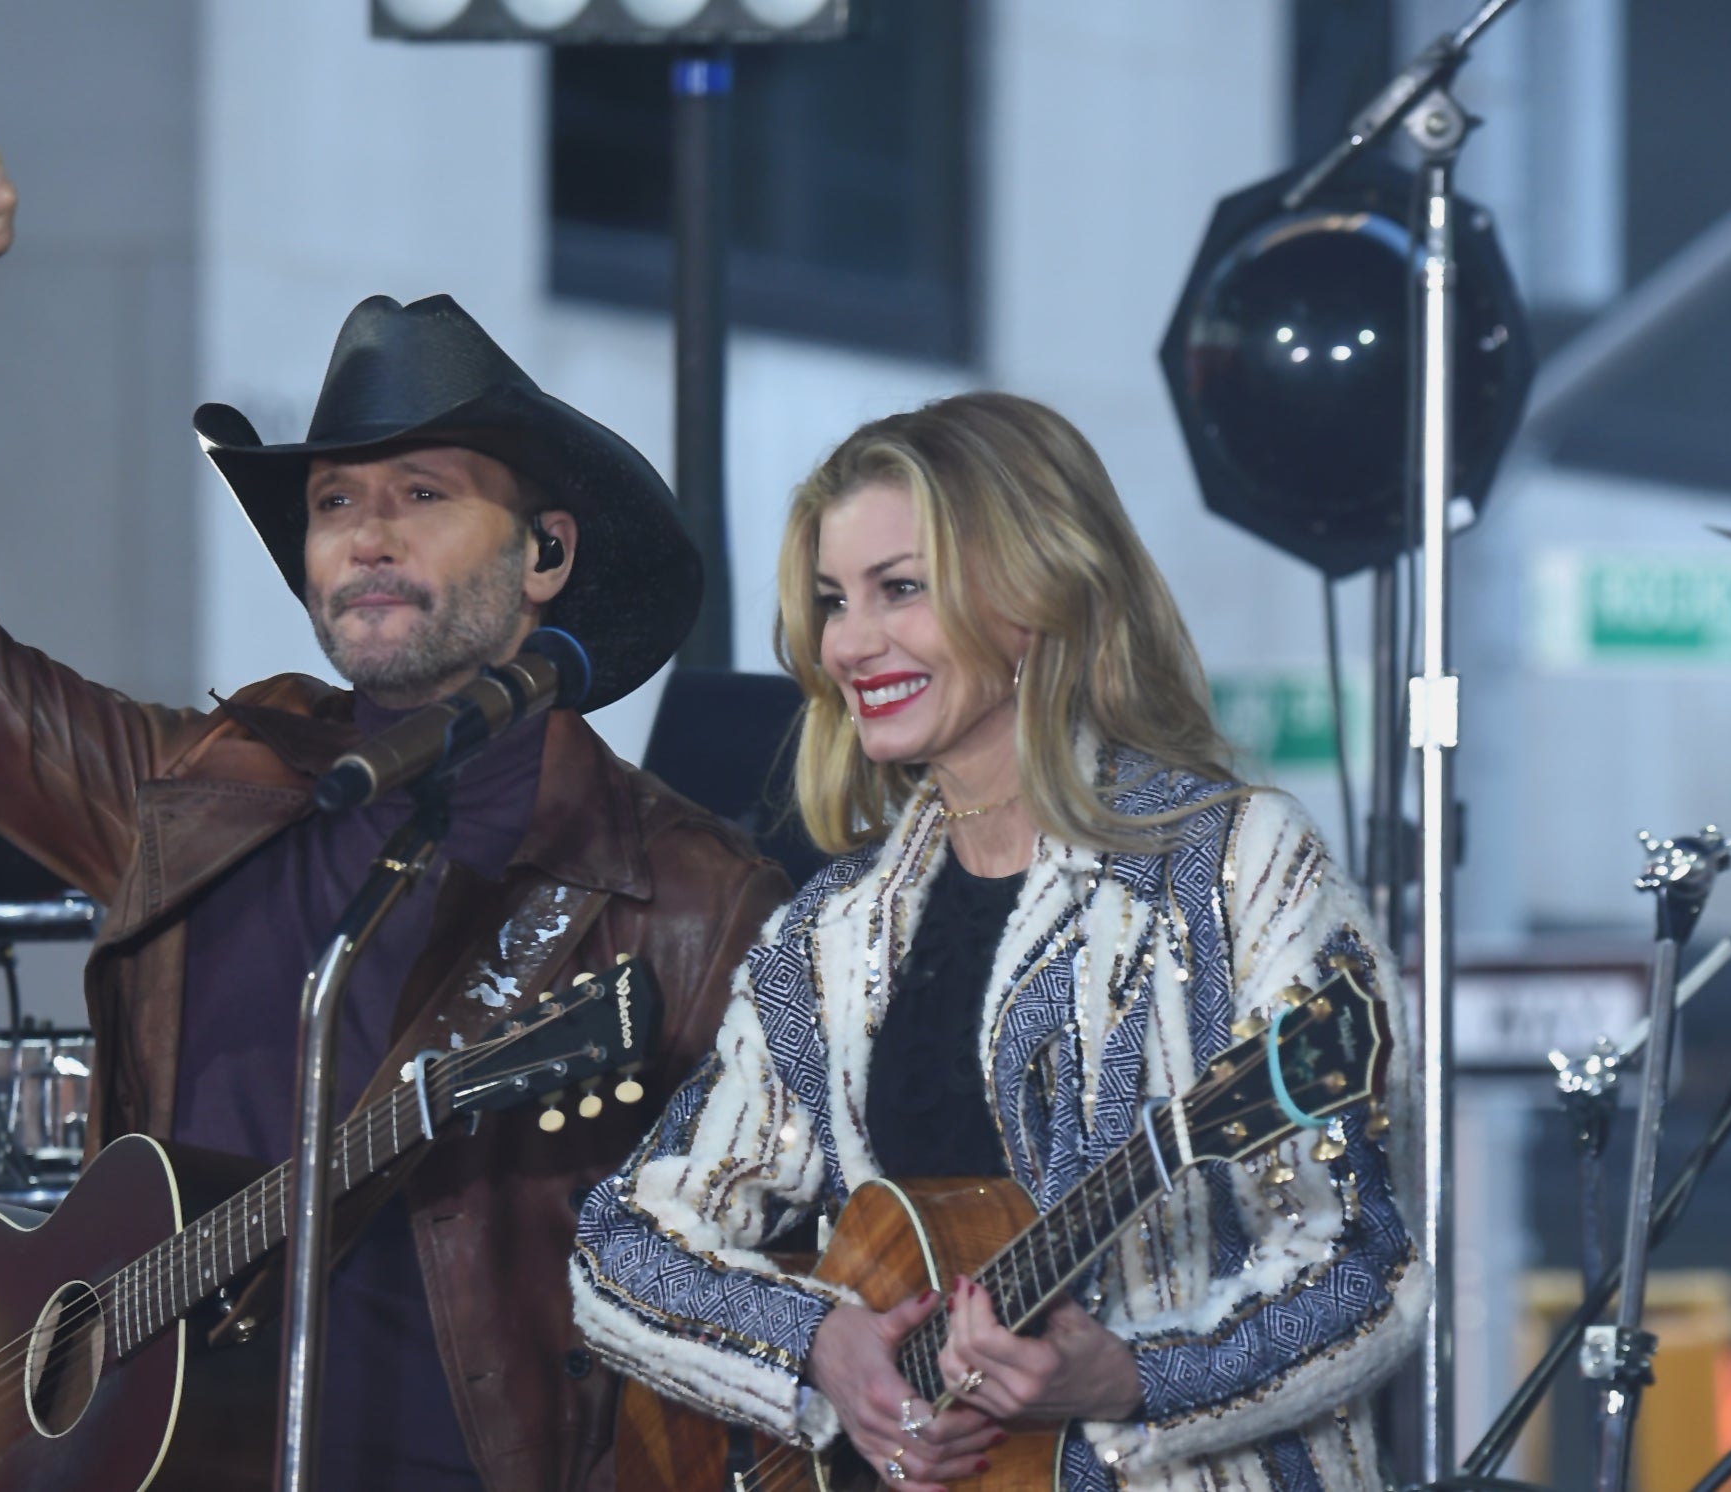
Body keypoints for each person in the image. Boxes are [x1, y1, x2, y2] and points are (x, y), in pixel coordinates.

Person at [0, 129, 790, 1491]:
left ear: (548, 552)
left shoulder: (687, 897)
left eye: (420, 496)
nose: (364, 536)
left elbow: (766, 1307)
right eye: (333, 504)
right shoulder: (205, 791)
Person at [572, 392, 1426, 1491]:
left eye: (901, 589)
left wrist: (1129, 1377)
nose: (850, 641)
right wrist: (816, 1348)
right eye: (835, 601)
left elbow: (1367, 1261)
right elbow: (624, 1245)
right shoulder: (831, 936)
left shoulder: (1237, 865)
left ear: (1037, 592)